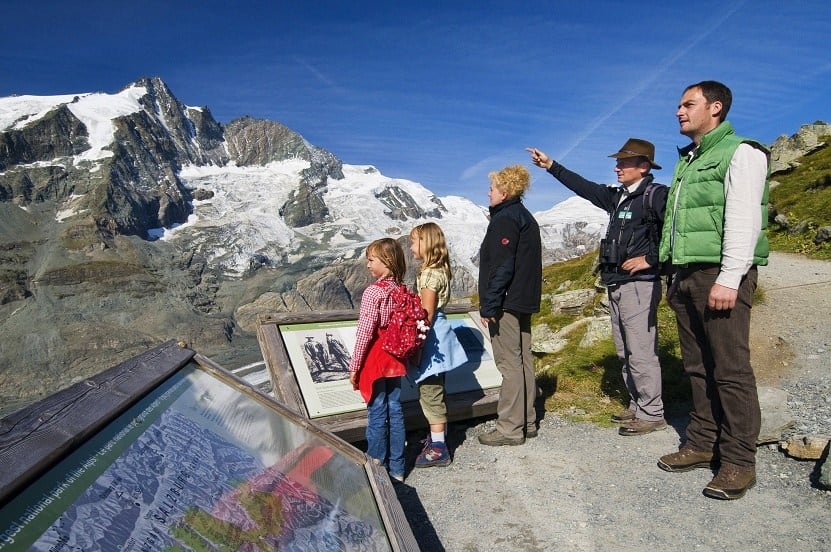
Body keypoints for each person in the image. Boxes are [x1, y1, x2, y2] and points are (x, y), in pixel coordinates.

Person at [656, 80, 770, 500]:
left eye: (688, 104)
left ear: (716, 108)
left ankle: (739, 460)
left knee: (730, 369)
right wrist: (673, 275)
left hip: (719, 274)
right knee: (697, 366)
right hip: (686, 275)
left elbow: (744, 216)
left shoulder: (741, 151)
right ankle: (703, 443)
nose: (679, 111)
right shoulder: (688, 160)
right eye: (679, 105)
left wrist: (730, 276)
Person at [527, 139, 669, 436]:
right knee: (625, 349)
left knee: (641, 350)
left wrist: (651, 259)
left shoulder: (655, 196)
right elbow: (584, 187)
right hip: (617, 282)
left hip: (640, 284)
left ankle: (652, 412)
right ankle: (638, 403)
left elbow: (675, 232)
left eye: (624, 162)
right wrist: (552, 166)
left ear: (643, 166)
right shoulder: (618, 197)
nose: (617, 167)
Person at [477, 165, 542, 446]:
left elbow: (502, 266)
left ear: (504, 192)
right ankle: (527, 421)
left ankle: (510, 429)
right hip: (523, 300)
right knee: (523, 360)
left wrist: (490, 305)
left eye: (491, 188)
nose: (488, 192)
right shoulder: (525, 216)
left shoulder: (505, 219)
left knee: (509, 364)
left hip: (506, 301)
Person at [348, 238, 409, 482]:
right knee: (395, 410)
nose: (368, 265)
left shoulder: (374, 292)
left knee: (376, 412)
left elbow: (365, 331)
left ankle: (376, 466)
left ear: (387, 261)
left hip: (376, 358)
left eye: (371, 260)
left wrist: (355, 366)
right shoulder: (402, 290)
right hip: (396, 358)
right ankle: (398, 467)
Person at [409, 222, 469, 467]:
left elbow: (427, 313)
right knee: (436, 390)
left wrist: (418, 346)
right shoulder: (440, 270)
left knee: (430, 393)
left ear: (426, 243)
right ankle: (437, 437)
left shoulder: (429, 274)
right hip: (442, 336)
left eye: (414, 241)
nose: (411, 246)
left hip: (432, 340)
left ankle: (438, 449)